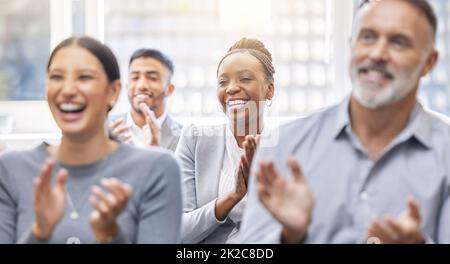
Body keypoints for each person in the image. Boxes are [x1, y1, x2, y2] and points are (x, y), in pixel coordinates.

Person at [240, 0, 450, 244]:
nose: (377, 54)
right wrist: (290, 237)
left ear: (429, 63)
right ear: (352, 46)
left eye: (398, 42)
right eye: (368, 37)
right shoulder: (283, 145)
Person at [0, 36, 182, 244]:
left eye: (84, 77)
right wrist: (40, 233)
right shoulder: (9, 168)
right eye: (57, 77)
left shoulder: (158, 169)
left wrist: (112, 236)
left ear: (113, 92)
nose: (67, 90)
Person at [176, 38, 275, 243]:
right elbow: (177, 232)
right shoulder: (194, 141)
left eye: (245, 78)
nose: (231, 88)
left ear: (269, 90)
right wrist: (233, 196)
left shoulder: (290, 147)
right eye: (223, 82)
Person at [109, 49, 182, 152]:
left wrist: (156, 152)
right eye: (135, 77)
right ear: (127, 86)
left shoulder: (184, 137)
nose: (141, 85)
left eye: (152, 78)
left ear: (169, 89)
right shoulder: (105, 129)